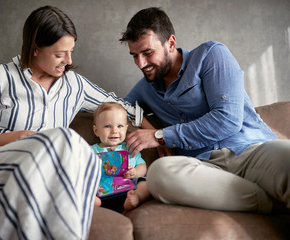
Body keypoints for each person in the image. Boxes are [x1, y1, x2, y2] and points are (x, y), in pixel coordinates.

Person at [0, 6, 144, 240]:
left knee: (67, 145)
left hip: (41, 183)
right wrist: (19, 139)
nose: (69, 61)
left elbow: (124, 110)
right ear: (35, 48)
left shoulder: (75, 85)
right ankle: (72, 194)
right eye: (60, 54)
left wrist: (158, 136)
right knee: (63, 139)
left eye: (71, 51)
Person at [120, 7, 290, 213]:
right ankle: (270, 203)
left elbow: (227, 119)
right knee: (158, 173)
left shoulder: (211, 54)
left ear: (171, 43)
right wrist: (150, 132)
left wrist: (160, 136)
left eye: (147, 53)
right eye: (134, 56)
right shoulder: (145, 88)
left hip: (249, 151)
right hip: (203, 169)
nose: (141, 63)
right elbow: (118, 109)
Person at [91, 102, 150, 211]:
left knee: (145, 183)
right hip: (101, 189)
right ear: (96, 131)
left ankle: (137, 196)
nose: (114, 131)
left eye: (120, 126)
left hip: (128, 190)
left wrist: (135, 172)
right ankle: (92, 200)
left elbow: (142, 165)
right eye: (107, 126)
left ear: (126, 129)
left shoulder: (130, 148)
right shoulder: (90, 151)